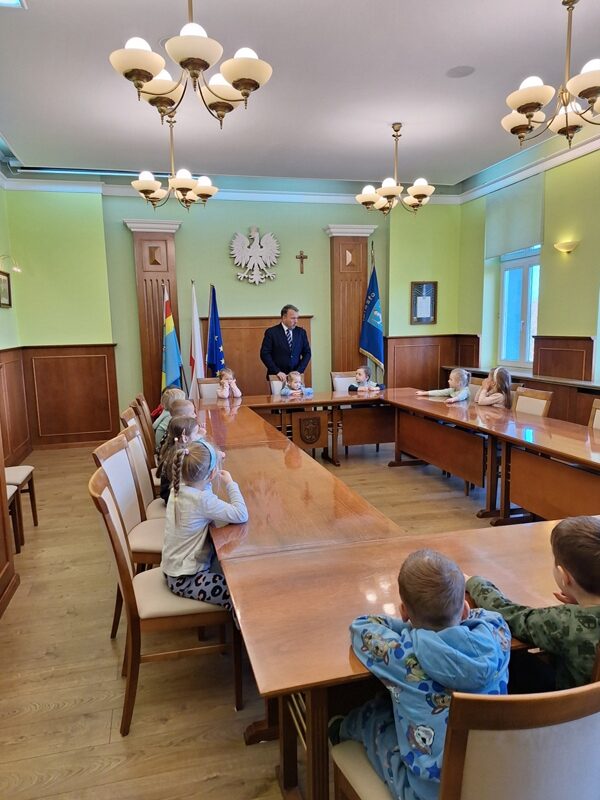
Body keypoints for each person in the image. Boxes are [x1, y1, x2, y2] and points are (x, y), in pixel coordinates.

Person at [330, 549, 510, 800]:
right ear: (465, 609)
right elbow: (489, 615)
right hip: (492, 782)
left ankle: (339, 728)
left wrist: (413, 629)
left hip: (426, 793)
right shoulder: (497, 636)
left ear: (404, 611)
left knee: (373, 717)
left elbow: (362, 627)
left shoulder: (403, 655)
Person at [466, 516, 600, 690]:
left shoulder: (564, 621)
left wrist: (474, 583)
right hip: (593, 705)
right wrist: (579, 598)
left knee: (515, 658)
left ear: (564, 577)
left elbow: (509, 614)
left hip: (571, 706)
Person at [161, 441, 248, 610]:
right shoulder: (202, 501)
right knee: (238, 593)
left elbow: (203, 488)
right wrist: (230, 483)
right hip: (187, 579)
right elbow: (241, 514)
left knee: (229, 567)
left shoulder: (177, 489)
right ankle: (238, 624)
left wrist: (210, 469)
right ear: (212, 473)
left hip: (174, 569)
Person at [156, 415, 202, 504]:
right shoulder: (181, 456)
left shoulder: (173, 448)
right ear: (185, 438)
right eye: (197, 433)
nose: (199, 436)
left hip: (170, 495)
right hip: (173, 500)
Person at [260, 304, 311, 382]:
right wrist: (277, 371)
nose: (296, 321)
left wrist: (299, 371)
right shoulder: (271, 332)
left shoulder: (301, 332)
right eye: (293, 318)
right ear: (284, 317)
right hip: (277, 376)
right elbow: (264, 354)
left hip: (296, 377)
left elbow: (307, 353)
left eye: (297, 318)